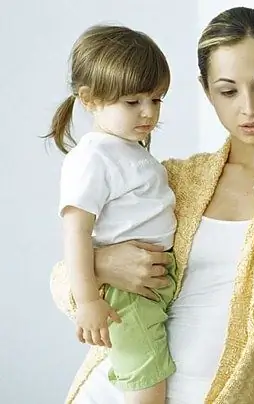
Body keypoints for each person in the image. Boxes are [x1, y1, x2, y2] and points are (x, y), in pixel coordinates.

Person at [49, 6, 254, 404]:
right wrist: (104, 264)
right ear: (207, 92)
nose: (248, 108)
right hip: (117, 391)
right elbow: (62, 284)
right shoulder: (178, 179)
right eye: (228, 91)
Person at [46, 24, 178, 404]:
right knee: (147, 382)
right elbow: (76, 232)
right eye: (132, 102)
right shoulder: (93, 156)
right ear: (89, 99)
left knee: (143, 371)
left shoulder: (128, 148)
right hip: (126, 294)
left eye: (156, 99)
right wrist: (88, 301)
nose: (148, 112)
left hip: (148, 285)